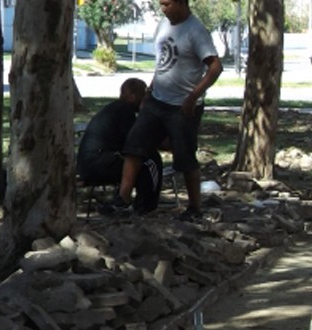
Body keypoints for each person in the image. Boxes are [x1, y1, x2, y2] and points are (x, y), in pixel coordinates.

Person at [106, 0, 223, 221]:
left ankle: (194, 208)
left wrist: (193, 97)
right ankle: (123, 198)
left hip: (183, 107)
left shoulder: (196, 31)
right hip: (156, 100)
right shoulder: (163, 25)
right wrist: (150, 90)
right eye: (161, 4)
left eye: (167, 4)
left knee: (185, 157)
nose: (164, 9)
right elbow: (163, 63)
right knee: (134, 144)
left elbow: (215, 68)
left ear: (181, 2)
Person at [78, 78, 163, 215]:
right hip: (98, 164)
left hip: (91, 164)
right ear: (132, 96)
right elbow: (136, 144)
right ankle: (146, 208)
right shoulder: (124, 111)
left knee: (142, 161)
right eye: (142, 96)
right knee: (150, 161)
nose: (144, 100)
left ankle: (127, 203)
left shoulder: (115, 109)